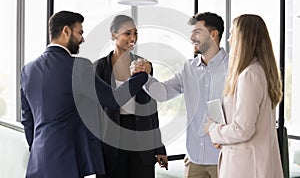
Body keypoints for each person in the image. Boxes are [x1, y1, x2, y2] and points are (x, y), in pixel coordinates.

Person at [20, 11, 148, 178]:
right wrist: (141, 75)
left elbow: (27, 120)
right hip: (67, 161)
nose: (83, 39)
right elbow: (114, 99)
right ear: (66, 31)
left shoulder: (28, 70)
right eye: (79, 32)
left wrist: (39, 148)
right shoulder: (78, 67)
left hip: (38, 161)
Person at [131, 12, 228, 178]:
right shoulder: (189, 68)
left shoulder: (233, 67)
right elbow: (164, 92)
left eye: (197, 32)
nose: (192, 38)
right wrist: (145, 76)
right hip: (194, 159)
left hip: (224, 157)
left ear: (213, 34)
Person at [205, 14, 284, 178]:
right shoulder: (260, 71)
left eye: (232, 33)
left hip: (247, 166)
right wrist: (224, 137)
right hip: (253, 162)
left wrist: (213, 130)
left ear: (244, 38)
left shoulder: (250, 74)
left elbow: (243, 129)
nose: (229, 39)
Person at [94, 15, 167, 178]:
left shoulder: (143, 65)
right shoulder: (98, 68)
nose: (133, 38)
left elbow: (151, 108)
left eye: (135, 33)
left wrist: (159, 147)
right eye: (127, 33)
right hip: (111, 140)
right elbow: (95, 113)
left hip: (141, 137)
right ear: (114, 35)